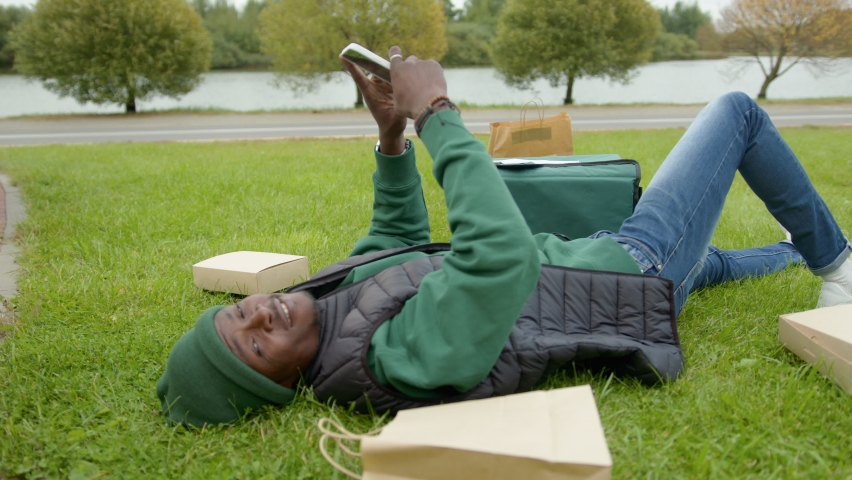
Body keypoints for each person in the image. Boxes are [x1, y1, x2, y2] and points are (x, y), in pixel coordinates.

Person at [156, 46, 852, 427]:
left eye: (236, 315)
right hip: (632, 269)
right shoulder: (393, 359)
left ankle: (795, 249)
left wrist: (392, 136)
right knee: (736, 112)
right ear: (281, 386)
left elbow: (396, 237)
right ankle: (839, 264)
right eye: (254, 347)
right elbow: (501, 258)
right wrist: (436, 113)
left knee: (714, 263)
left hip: (592, 262)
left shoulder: (334, 309)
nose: (260, 314)